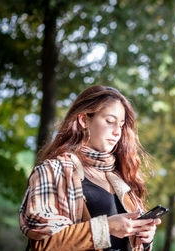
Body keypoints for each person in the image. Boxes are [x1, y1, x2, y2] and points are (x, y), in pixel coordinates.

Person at [19, 85, 161, 251]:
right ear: (84, 120)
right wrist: (106, 228)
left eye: (121, 125)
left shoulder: (120, 178)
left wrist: (144, 238)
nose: (117, 132)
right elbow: (44, 243)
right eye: (110, 121)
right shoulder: (53, 171)